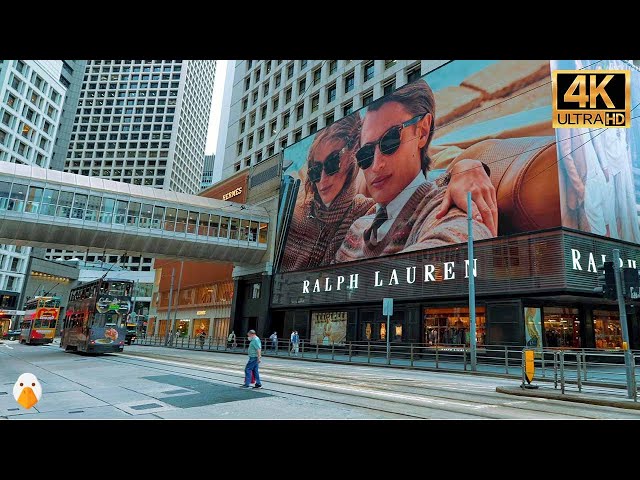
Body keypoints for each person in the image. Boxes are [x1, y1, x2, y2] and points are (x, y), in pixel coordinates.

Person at [280, 111, 497, 272]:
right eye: (316, 170)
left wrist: (465, 167)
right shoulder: (296, 211)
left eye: (333, 162)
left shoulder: (365, 210)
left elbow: (417, 192)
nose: (323, 178)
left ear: (351, 158)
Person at [335, 79, 495, 262]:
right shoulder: (357, 227)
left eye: (390, 141)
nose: (376, 164)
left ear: (422, 131)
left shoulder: (442, 208)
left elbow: (461, 242)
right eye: (365, 154)